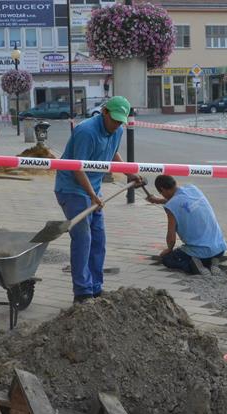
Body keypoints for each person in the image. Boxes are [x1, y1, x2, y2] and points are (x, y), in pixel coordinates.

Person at [55, 95, 141, 303]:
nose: (117, 124)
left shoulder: (117, 129)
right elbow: (77, 168)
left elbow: (113, 153)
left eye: (121, 121)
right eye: (115, 120)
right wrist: (92, 196)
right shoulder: (86, 132)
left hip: (93, 190)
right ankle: (82, 291)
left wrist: (128, 172)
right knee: (83, 239)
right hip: (72, 188)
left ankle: (95, 286)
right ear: (104, 112)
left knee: (98, 240)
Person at [146, 175, 227, 275]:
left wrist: (169, 249)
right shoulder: (192, 188)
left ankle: (195, 267)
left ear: (162, 189)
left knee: (168, 259)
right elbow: (182, 203)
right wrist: (158, 200)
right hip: (219, 248)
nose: (162, 196)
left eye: (161, 193)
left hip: (200, 253)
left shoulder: (171, 206)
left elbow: (171, 237)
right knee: (206, 253)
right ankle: (214, 262)